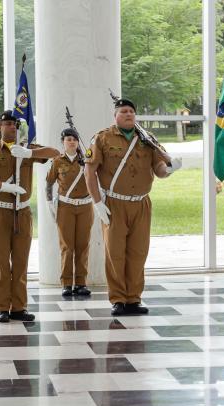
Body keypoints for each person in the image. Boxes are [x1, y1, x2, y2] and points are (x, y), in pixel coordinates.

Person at [84, 97, 182, 316]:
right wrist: (97, 203)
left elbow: (159, 169)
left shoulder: (148, 139)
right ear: (115, 116)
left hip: (141, 203)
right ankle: (118, 299)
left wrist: (170, 169)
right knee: (115, 253)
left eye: (131, 111)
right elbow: (89, 172)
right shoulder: (102, 138)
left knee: (138, 253)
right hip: (114, 203)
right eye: (123, 111)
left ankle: (133, 299)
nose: (128, 114)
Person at [0, 110, 59, 323]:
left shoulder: (27, 148)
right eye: (7, 124)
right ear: (0, 126)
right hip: (0, 210)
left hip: (22, 212)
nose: (11, 127)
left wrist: (28, 153)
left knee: (21, 262)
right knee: (1, 262)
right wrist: (3, 185)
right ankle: (3, 307)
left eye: (14, 124)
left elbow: (55, 153)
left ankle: (19, 307)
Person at [46, 128, 93, 297]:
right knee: (67, 246)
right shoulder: (58, 161)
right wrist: (49, 203)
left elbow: (96, 178)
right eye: (68, 139)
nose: (71, 142)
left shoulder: (87, 160)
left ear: (78, 142)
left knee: (83, 245)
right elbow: (49, 183)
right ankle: (66, 283)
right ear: (63, 142)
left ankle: (81, 283)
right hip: (65, 207)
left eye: (74, 139)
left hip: (85, 207)